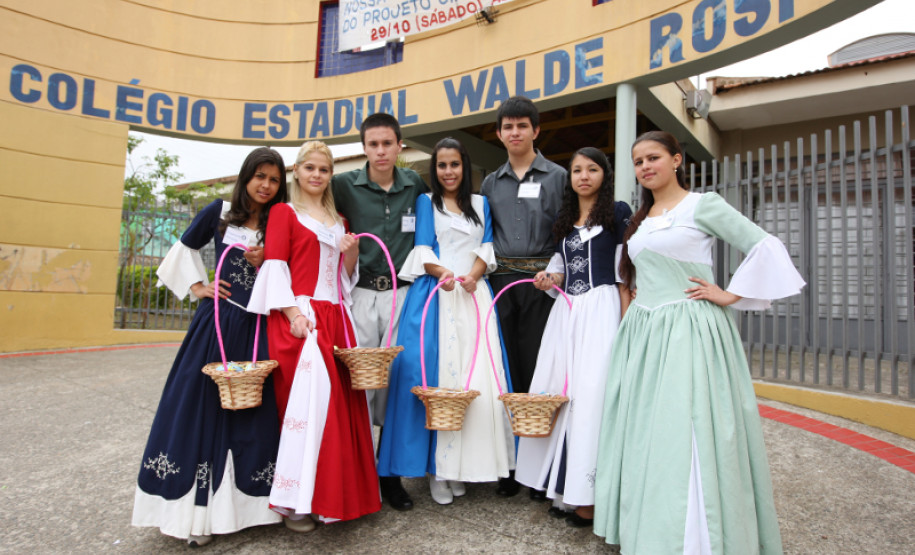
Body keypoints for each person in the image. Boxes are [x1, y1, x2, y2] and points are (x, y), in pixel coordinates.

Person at [593, 131, 804, 554]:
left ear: (675, 160)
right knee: (647, 430)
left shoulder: (702, 205)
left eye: (653, 157)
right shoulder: (640, 218)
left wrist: (729, 294)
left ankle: (693, 538)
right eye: (637, 162)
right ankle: (648, 528)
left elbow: (763, 244)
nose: (645, 167)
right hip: (645, 331)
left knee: (684, 426)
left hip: (689, 330)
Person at [132, 147, 288, 547]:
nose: (266, 186)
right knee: (201, 409)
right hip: (216, 325)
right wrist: (198, 287)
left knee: (253, 411)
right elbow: (181, 251)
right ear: (245, 177)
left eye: (274, 179)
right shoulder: (218, 212)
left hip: (257, 328)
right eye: (260, 177)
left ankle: (248, 509)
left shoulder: (280, 221)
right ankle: (197, 514)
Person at [247, 141, 381, 530]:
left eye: (323, 169)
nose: (316, 175)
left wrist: (350, 250)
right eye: (310, 168)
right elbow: (275, 266)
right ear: (297, 171)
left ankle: (338, 496)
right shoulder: (284, 213)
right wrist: (292, 314)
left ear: (330, 174)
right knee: (309, 408)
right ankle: (299, 502)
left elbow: (344, 275)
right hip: (302, 316)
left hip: (337, 315)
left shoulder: (338, 218)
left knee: (343, 408)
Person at [377, 138, 515, 505]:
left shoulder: (481, 204)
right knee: (439, 380)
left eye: (454, 164)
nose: (448, 172)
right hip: (437, 294)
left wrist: (472, 276)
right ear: (434, 169)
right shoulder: (427, 203)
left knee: (476, 378)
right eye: (441, 165)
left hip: (473, 295)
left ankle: (465, 464)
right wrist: (446, 273)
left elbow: (486, 249)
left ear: (463, 166)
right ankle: (438, 469)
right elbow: (422, 249)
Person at [514, 147, 632, 527]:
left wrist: (626, 320)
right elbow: (561, 266)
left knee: (592, 397)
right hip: (567, 312)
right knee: (560, 392)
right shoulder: (563, 219)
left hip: (601, 310)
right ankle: (563, 488)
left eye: (592, 169)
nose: (583, 175)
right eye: (577, 169)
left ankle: (592, 497)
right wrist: (550, 279)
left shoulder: (618, 213)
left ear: (604, 174)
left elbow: (625, 271)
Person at [331, 112, 426, 511]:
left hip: (402, 294)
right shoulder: (342, 185)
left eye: (388, 143)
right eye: (373, 144)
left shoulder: (416, 185)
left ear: (400, 145)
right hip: (360, 295)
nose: (381, 151)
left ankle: (388, 475)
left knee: (396, 385)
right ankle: (357, 470)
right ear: (363, 147)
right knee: (360, 383)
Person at [480, 95, 566, 499]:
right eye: (507, 127)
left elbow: (567, 231)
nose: (515, 133)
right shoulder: (489, 183)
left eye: (522, 126)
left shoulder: (558, 176)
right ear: (499, 134)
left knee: (539, 373)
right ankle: (511, 465)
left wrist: (553, 271)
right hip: (500, 286)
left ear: (536, 130)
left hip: (542, 285)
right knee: (506, 371)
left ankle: (540, 467)